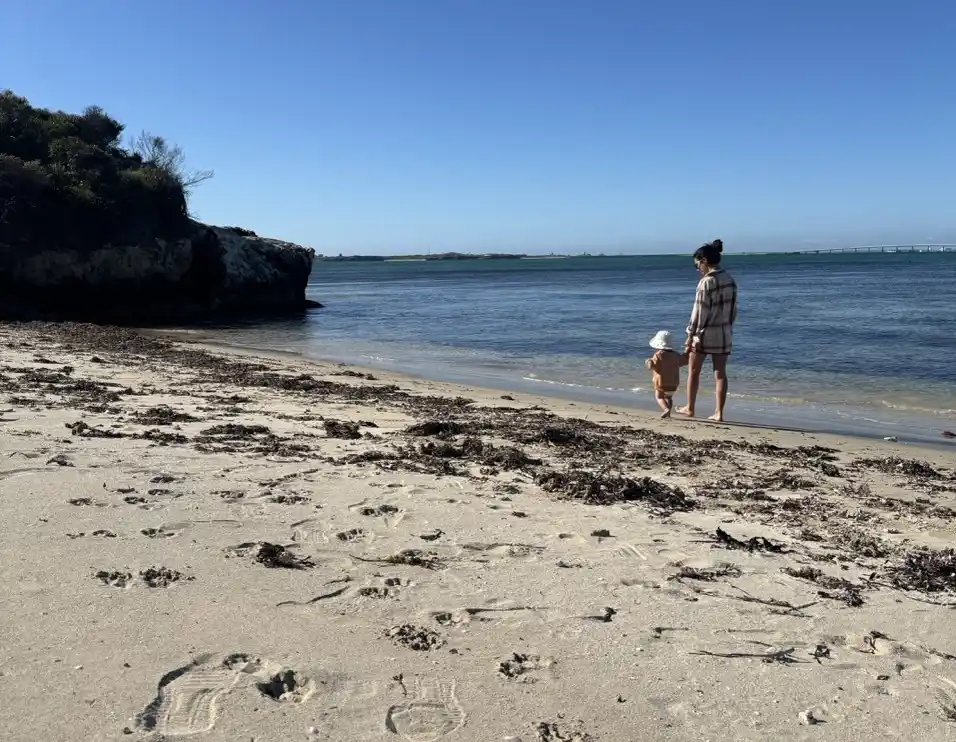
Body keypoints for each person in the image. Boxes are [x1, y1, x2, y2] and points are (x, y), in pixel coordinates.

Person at [678, 238, 738, 422]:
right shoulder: (729, 279)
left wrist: (690, 335)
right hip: (724, 332)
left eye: (697, 265)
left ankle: (690, 407)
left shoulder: (706, 282)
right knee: (720, 373)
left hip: (704, 334)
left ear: (704, 260)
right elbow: (733, 309)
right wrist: (727, 326)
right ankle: (719, 412)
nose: (698, 269)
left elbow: (699, 313)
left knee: (693, 371)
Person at [644, 330, 688, 419]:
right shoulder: (676, 355)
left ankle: (665, 409)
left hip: (661, 382)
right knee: (669, 398)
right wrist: (686, 352)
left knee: (659, 397)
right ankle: (669, 412)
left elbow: (652, 366)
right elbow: (684, 361)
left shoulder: (658, 355)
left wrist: (648, 361)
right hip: (674, 382)